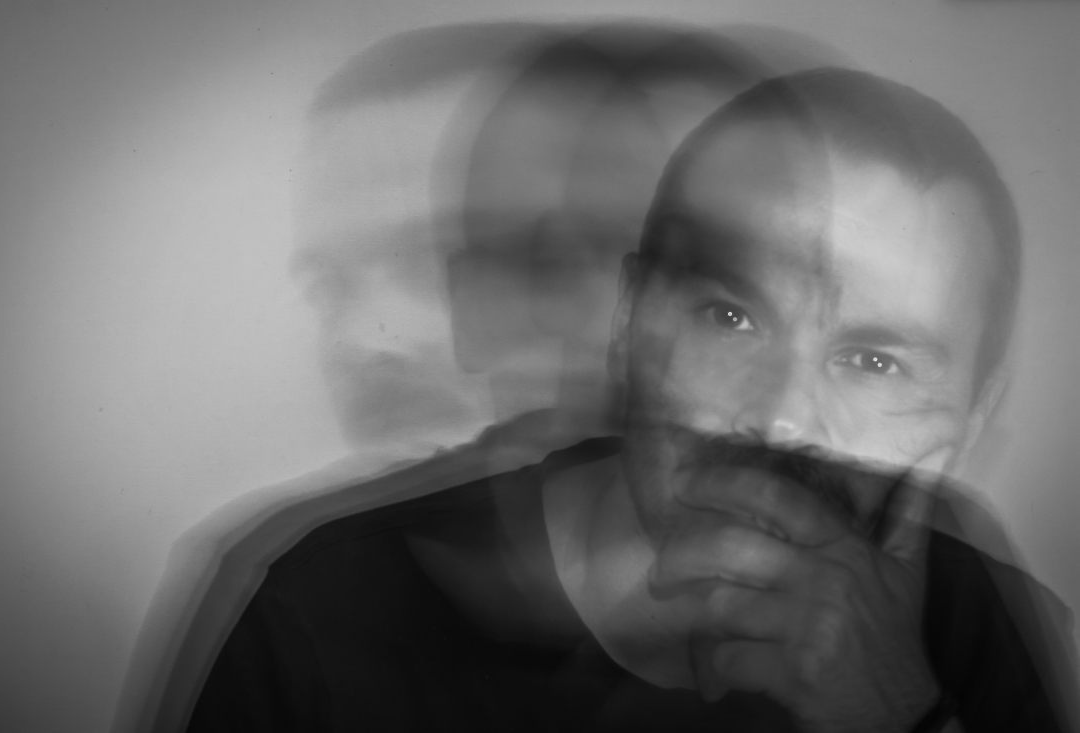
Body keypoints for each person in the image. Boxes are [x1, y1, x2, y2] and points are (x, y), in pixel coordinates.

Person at [183, 66, 1073, 732]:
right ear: (630, 319)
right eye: (730, 316)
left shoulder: (977, 626)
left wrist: (900, 716)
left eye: (873, 361)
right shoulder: (321, 612)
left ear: (967, 426)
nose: (778, 418)